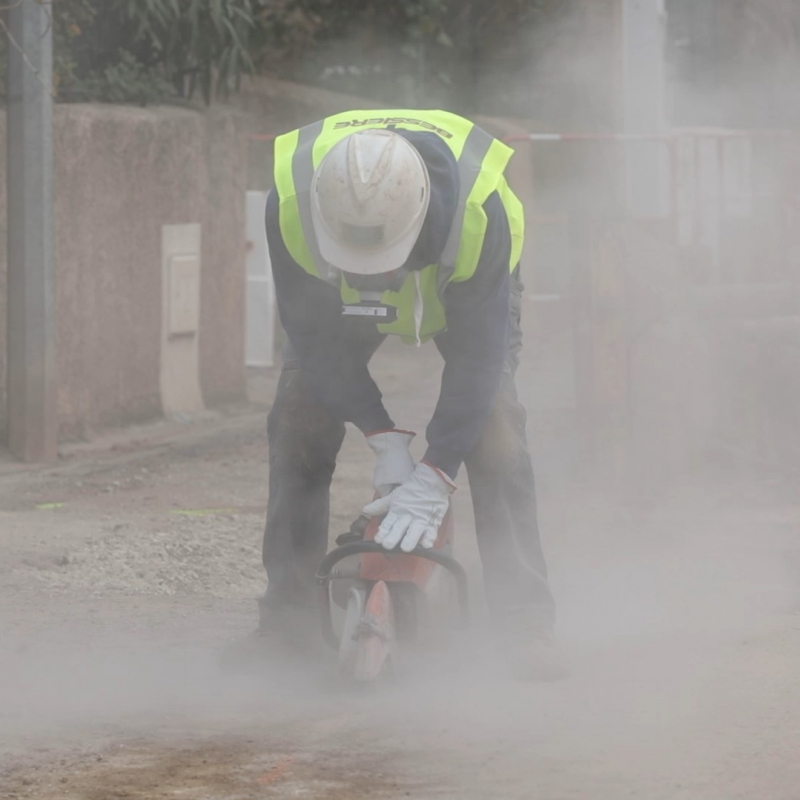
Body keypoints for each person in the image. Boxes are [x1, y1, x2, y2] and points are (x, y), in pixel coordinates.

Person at [257, 109, 566, 680]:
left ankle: (526, 623)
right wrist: (383, 436)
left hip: (464, 290)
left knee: (495, 423)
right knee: (298, 414)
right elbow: (314, 341)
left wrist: (435, 473)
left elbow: (478, 364)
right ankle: (287, 624)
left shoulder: (480, 214)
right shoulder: (292, 200)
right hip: (332, 300)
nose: (374, 277)